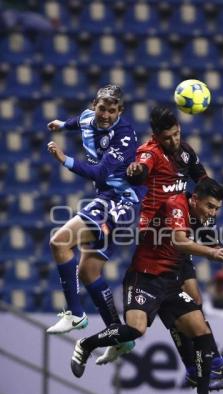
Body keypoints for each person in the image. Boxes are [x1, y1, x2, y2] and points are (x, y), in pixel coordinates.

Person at [70, 178, 223, 394]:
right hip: (145, 277)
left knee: (200, 329)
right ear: (195, 199)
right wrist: (212, 252)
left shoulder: (203, 213)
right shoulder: (176, 205)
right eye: (210, 207)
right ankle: (86, 344)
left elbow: (210, 240)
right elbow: (179, 241)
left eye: (217, 209)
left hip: (170, 282)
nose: (213, 213)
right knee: (136, 329)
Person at [97, 106, 223, 390]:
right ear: (156, 135)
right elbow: (139, 171)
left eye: (177, 134)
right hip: (158, 232)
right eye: (167, 137)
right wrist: (135, 172)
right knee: (180, 304)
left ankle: (209, 365)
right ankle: (200, 367)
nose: (173, 141)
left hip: (180, 226)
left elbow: (205, 183)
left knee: (192, 299)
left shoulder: (184, 152)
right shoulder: (149, 153)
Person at [46, 85, 144, 363]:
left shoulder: (123, 136)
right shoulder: (89, 116)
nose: (105, 115)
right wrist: (62, 124)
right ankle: (118, 335)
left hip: (122, 200)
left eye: (112, 110)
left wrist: (64, 159)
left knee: (59, 242)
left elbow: (100, 173)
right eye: (102, 108)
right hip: (107, 197)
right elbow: (79, 121)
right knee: (88, 271)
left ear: (120, 112)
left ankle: (76, 316)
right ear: (94, 105)